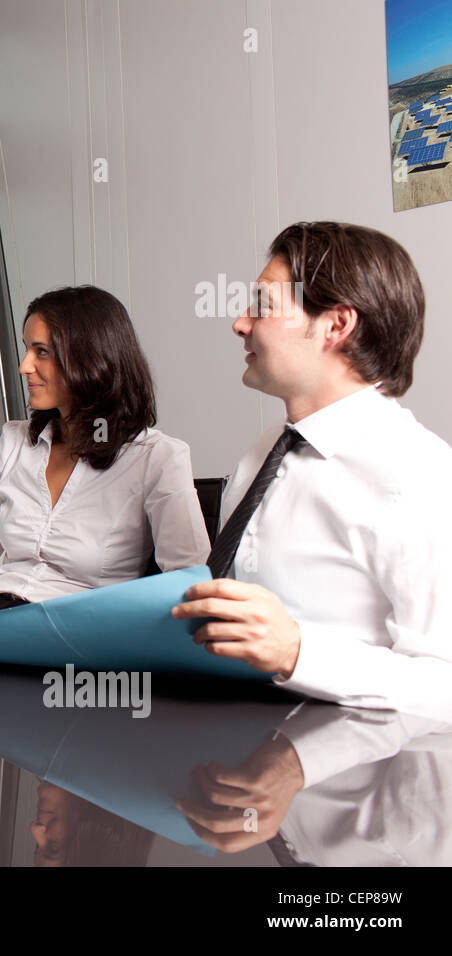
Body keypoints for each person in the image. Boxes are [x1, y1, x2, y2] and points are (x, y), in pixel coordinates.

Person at [172, 221, 452, 717]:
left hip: (359, 777)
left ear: (336, 325)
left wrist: (298, 653)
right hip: (231, 748)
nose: (240, 322)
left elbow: (442, 682)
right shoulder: (261, 455)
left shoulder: (420, 475)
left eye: (262, 304)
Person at [0, 286, 210, 613]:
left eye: (41, 352)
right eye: (27, 349)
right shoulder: (14, 441)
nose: (24, 366)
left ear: (90, 358)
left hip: (81, 634)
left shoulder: (156, 458)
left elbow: (188, 582)